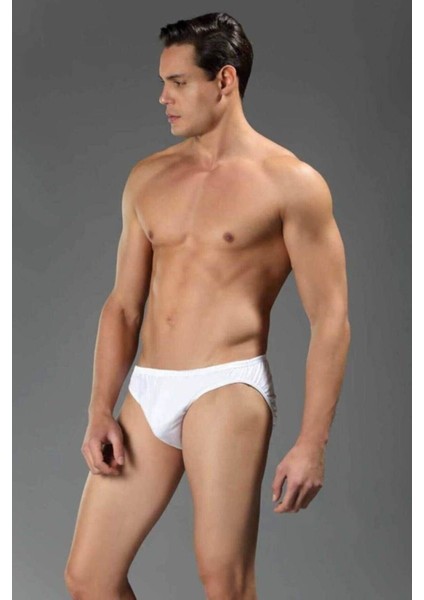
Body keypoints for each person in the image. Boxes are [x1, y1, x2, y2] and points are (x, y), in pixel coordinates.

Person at [64, 11, 351, 600]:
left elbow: (330, 321)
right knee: (89, 580)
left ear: (224, 80)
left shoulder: (291, 183)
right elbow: (123, 306)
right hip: (150, 387)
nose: (162, 98)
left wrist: (311, 443)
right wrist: (99, 409)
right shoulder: (148, 177)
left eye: (177, 82)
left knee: (224, 581)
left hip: (227, 385)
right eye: (162, 83)